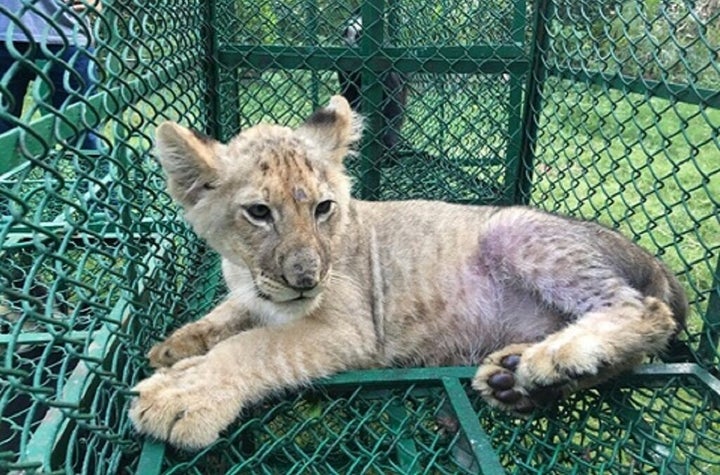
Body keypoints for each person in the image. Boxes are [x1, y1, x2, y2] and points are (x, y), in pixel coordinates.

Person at [0, 0, 102, 150]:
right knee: (2, 125)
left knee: (82, 125)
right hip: (4, 35)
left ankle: (90, 170)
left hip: (67, 34)